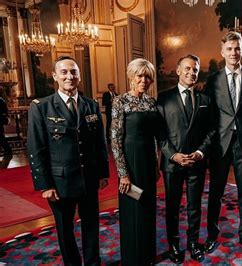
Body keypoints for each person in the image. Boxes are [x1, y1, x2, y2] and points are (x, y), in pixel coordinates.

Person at [27, 56, 109, 265]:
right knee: (65, 229)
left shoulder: (91, 105)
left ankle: (92, 262)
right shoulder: (42, 107)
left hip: (88, 179)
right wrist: (45, 185)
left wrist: (102, 174)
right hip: (60, 182)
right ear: (55, 76)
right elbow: (36, 148)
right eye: (63, 72)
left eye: (73, 72)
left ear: (79, 76)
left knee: (91, 224)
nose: (69, 76)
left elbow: (100, 143)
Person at [203, 31, 242, 256]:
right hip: (220, 144)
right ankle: (211, 235)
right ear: (222, 52)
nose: (234, 53)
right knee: (215, 192)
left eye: (237, 48)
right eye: (229, 49)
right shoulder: (213, 80)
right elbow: (208, 114)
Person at [157, 54, 214, 263]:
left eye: (196, 70)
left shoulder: (205, 100)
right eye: (188, 69)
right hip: (172, 164)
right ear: (178, 70)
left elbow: (212, 131)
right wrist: (173, 155)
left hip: (197, 163)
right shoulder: (163, 98)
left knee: (194, 206)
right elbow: (160, 134)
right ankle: (173, 244)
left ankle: (192, 243)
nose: (192, 73)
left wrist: (200, 152)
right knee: (172, 207)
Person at [111, 58, 161, 265]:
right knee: (134, 209)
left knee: (148, 208)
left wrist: (157, 164)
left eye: (147, 76)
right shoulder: (120, 102)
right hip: (131, 164)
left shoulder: (151, 102)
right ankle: (133, 258)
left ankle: (147, 255)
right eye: (140, 76)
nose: (144, 80)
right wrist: (123, 173)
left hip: (149, 163)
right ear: (131, 77)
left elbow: (156, 137)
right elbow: (115, 139)